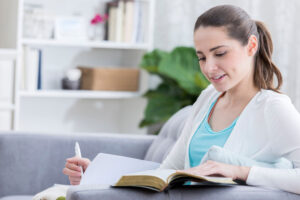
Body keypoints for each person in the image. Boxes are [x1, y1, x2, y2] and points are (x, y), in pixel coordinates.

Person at [63, 5, 300, 194]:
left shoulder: (272, 108)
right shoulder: (210, 96)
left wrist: (241, 171)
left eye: (220, 53)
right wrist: (97, 175)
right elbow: (170, 171)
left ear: (251, 46)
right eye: (202, 57)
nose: (209, 67)